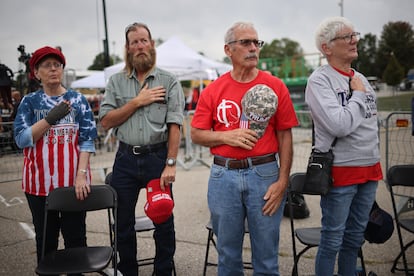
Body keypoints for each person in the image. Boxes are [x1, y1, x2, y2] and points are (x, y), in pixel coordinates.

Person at [191, 22, 298, 275]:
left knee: (267, 257)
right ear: (228, 50)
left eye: (256, 43)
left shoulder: (275, 85)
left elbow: (285, 136)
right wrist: (228, 136)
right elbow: (196, 134)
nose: (253, 48)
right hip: (222, 176)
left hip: (264, 174)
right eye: (246, 43)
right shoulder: (214, 89)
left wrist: (283, 181)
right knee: (227, 256)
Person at [99, 22, 185, 276]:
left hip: (157, 158)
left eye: (143, 40)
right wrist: (137, 102)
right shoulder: (115, 82)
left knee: (163, 221)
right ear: (127, 48)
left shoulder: (168, 81)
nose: (139, 46)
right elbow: (105, 121)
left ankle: (163, 271)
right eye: (134, 42)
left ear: (151, 44)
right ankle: (128, 271)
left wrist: (170, 164)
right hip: (125, 159)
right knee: (123, 223)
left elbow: (175, 125)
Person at [305, 17, 383, 276]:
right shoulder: (319, 81)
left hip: (370, 169)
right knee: (332, 240)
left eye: (355, 35)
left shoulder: (360, 77)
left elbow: (371, 123)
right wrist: (358, 95)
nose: (354, 40)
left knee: (354, 240)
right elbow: (339, 125)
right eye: (347, 37)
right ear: (327, 47)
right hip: (342, 171)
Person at [13, 46, 98, 274]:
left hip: (74, 185)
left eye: (57, 64)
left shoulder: (78, 100)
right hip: (39, 187)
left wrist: (81, 175)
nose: (53, 69)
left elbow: (87, 140)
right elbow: (21, 139)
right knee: (46, 242)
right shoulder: (29, 103)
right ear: (36, 73)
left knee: (76, 240)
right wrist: (50, 119)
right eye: (46, 65)